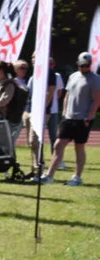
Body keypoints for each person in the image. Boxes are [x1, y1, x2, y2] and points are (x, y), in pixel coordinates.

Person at [38, 52, 100, 186]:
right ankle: (49, 175)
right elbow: (67, 95)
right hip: (69, 117)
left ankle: (77, 177)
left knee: (79, 147)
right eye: (82, 65)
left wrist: (88, 117)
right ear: (77, 64)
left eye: (87, 65)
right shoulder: (73, 76)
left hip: (83, 119)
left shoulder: (95, 79)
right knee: (58, 144)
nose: (85, 68)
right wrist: (65, 113)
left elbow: (96, 100)